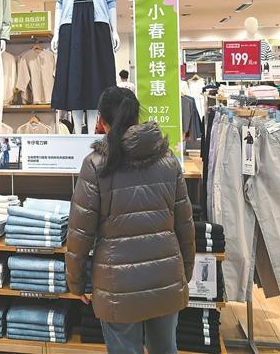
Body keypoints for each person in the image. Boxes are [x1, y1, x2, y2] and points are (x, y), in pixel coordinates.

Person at [66, 86, 195, 354]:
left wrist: (76, 282)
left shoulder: (95, 164)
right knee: (165, 349)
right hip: (165, 277)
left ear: (101, 121)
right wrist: (185, 272)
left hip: (117, 284)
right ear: (136, 116)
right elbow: (185, 225)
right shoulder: (168, 158)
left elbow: (80, 233)